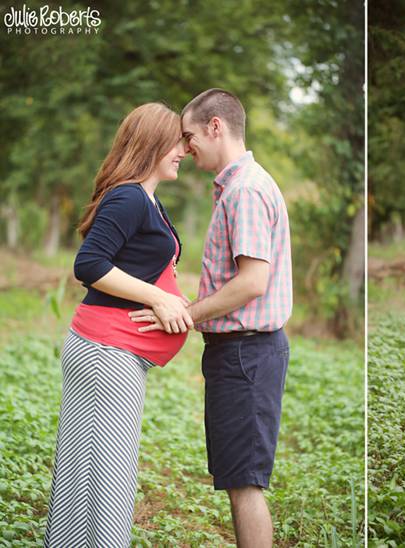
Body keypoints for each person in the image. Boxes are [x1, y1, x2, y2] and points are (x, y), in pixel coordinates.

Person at [130, 88, 292, 547]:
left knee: (246, 486)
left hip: (247, 353)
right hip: (239, 354)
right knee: (238, 479)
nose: (184, 147)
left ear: (215, 127)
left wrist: (183, 313)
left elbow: (252, 282)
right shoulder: (239, 187)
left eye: (189, 135)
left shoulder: (245, 190)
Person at [44, 103, 193, 547]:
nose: (184, 149)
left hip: (113, 355)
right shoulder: (128, 196)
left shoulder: (146, 198)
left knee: (95, 468)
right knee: (106, 476)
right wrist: (159, 297)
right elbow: (88, 264)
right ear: (150, 143)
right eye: (176, 140)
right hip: (104, 355)